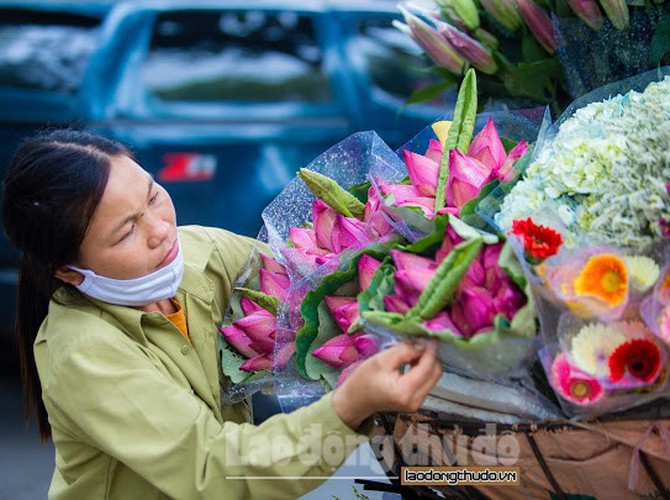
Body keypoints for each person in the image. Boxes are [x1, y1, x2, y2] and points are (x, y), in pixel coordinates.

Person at [1, 129, 443, 499]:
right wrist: (349, 404)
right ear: (69, 271)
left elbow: (317, 282)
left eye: (153, 197)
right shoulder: (85, 353)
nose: (161, 231)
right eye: (125, 232)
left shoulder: (203, 255)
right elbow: (213, 469)